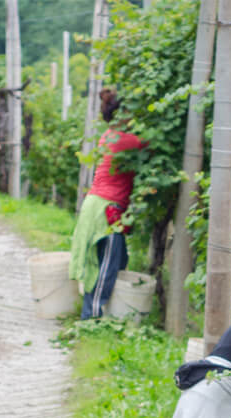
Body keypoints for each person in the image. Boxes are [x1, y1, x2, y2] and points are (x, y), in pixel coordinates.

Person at [69, 87, 145, 320]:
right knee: (106, 268)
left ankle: (105, 313)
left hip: (98, 205)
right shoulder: (123, 140)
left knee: (117, 260)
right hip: (106, 209)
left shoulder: (108, 136)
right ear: (122, 115)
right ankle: (90, 318)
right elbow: (149, 142)